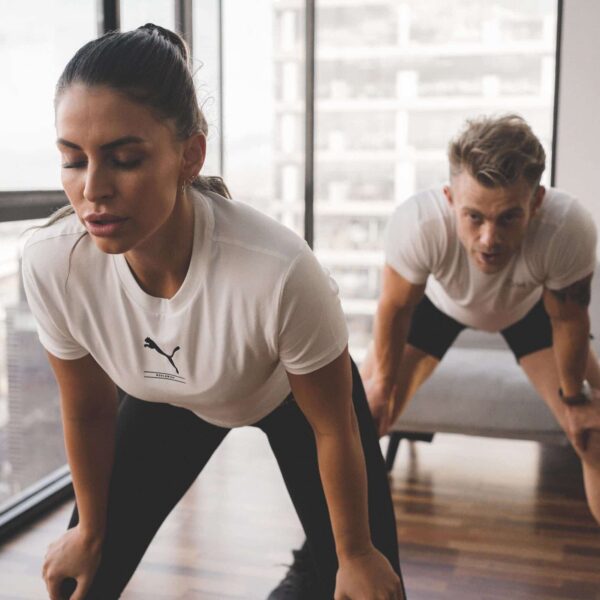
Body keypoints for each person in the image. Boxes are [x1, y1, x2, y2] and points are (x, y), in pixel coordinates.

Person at [22, 24, 405, 600]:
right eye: (73, 160)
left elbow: (334, 426)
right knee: (83, 577)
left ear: (189, 155)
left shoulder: (276, 270)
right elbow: (88, 412)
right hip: (167, 401)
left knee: (364, 583)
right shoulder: (55, 262)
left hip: (290, 400)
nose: (92, 189)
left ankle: (316, 563)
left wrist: (354, 553)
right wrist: (93, 531)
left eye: (123, 158)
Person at [275, 113, 600, 594]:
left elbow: (570, 320)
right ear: (450, 200)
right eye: (475, 217)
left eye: (509, 216)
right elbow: (395, 307)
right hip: (437, 310)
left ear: (536, 201)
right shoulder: (420, 223)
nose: (489, 239)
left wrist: (575, 401)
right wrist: (382, 383)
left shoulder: (567, 226)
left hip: (530, 311)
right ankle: (313, 565)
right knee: (360, 423)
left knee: (591, 434)